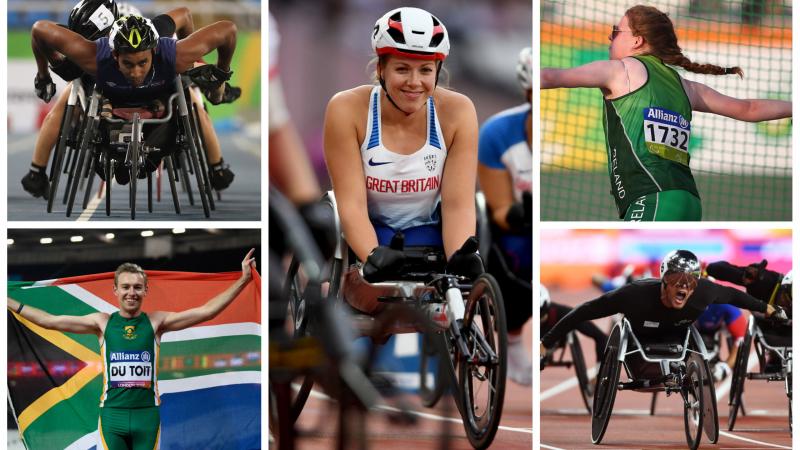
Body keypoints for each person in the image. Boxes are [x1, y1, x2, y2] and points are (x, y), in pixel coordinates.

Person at [540, 5, 792, 221]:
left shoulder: (619, 70)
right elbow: (749, 109)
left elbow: (551, 76)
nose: (609, 38)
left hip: (651, 195)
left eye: (615, 32)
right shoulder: (685, 85)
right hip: (689, 200)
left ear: (637, 40)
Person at [7, 249, 256, 450]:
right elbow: (49, 320)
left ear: (146, 291)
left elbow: (206, 312)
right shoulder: (102, 323)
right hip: (112, 417)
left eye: (137, 287)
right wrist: (7, 301)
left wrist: (243, 279)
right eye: (125, 287)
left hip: (146, 417)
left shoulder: (156, 322)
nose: (131, 293)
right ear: (115, 291)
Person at [323, 7, 482, 300]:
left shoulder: (459, 111)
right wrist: (372, 256)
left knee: (454, 295)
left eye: (425, 70)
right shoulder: (346, 109)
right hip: (373, 229)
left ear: (437, 71)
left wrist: (459, 257)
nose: (414, 82)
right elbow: (351, 205)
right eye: (402, 69)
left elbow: (458, 205)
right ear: (381, 69)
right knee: (371, 298)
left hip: (429, 230)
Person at [29, 11, 237, 187]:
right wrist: (45, 73)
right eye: (128, 64)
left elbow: (227, 29)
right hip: (111, 122)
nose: (136, 73)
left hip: (160, 112)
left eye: (142, 63)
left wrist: (220, 69)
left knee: (193, 91)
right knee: (72, 89)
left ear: (154, 51)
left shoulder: (174, 53)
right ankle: (36, 171)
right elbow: (39, 29)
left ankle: (218, 93)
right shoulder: (93, 56)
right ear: (114, 56)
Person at [541, 250, 788, 358]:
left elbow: (738, 297)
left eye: (690, 281)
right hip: (640, 339)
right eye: (676, 280)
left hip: (678, 337)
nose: (684, 286)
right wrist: (545, 343)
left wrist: (770, 309)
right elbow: (584, 312)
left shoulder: (704, 292)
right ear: (663, 279)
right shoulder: (634, 294)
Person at [478, 47, 533, 385]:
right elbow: (498, 212)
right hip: (514, 229)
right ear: (527, 93)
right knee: (518, 258)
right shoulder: (496, 133)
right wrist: (525, 209)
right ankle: (512, 337)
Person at [706, 259, 791, 371]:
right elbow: (713, 268)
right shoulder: (763, 280)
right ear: (783, 287)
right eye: (787, 298)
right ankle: (775, 358)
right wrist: (743, 274)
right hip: (768, 327)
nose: (788, 305)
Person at [540, 284, 607, 365]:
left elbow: (600, 337)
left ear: (546, 305)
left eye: (540, 312)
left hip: (553, 339)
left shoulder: (563, 313)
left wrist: (599, 370)